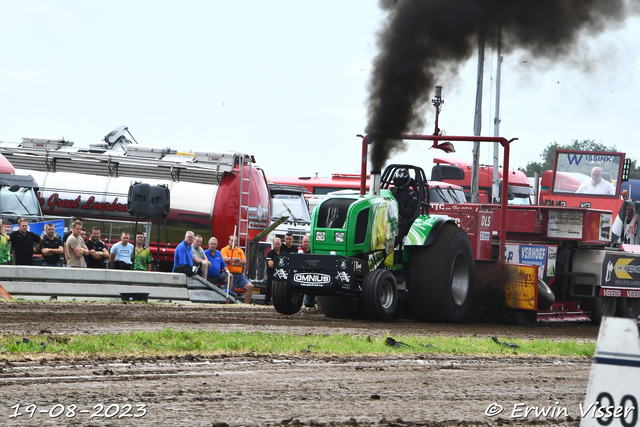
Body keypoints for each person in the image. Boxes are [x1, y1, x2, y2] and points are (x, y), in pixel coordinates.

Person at [221, 235, 254, 304]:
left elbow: (244, 261)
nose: (233, 242)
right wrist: (238, 259)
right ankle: (227, 305)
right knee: (229, 292)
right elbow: (225, 259)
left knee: (250, 286)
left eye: (235, 241)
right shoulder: (224, 249)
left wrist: (232, 263)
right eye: (232, 241)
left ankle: (246, 305)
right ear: (229, 241)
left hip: (239, 275)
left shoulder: (240, 250)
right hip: (229, 274)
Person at [391, 168, 418, 241]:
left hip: (403, 218)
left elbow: (410, 211)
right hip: (388, 215)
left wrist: (399, 210)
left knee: (399, 225)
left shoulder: (412, 194)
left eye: (401, 181)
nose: (399, 183)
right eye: (398, 181)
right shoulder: (390, 191)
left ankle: (391, 246)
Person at [298, 235, 315, 308]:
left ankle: (310, 304)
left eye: (307, 242)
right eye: (304, 242)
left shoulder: (312, 251)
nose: (306, 243)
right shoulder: (298, 251)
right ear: (302, 242)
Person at [264, 237, 282, 306]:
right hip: (271, 274)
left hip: (280, 275)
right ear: (273, 244)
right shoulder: (270, 253)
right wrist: (280, 265)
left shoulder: (282, 253)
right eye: (276, 244)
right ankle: (266, 302)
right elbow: (271, 265)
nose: (277, 245)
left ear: (280, 244)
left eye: (278, 244)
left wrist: (276, 264)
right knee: (269, 290)